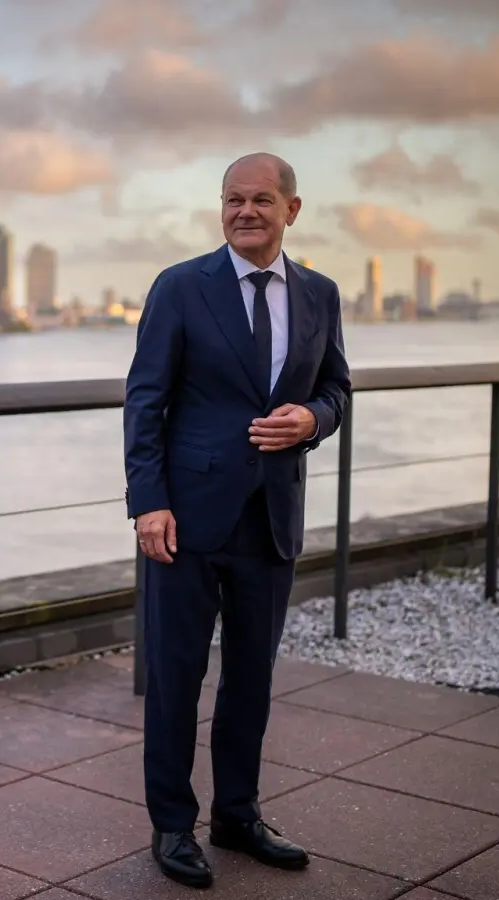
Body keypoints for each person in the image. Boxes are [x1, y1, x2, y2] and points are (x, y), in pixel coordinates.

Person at [123, 152, 350, 889]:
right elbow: (144, 402)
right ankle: (170, 825)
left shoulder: (320, 293)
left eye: (259, 200)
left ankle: (238, 814)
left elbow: (339, 389)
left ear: (293, 208)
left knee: (251, 678)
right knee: (176, 678)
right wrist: (148, 501)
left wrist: (310, 420)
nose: (244, 212)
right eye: (232, 200)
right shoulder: (181, 287)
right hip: (185, 519)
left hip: (272, 518)